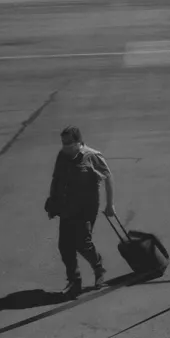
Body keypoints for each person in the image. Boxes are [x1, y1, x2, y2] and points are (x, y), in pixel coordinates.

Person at [44, 125, 114, 295]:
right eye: (63, 142)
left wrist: (110, 204)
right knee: (65, 246)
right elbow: (57, 179)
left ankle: (98, 268)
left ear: (79, 142)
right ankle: (74, 281)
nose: (66, 146)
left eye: (69, 143)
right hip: (67, 207)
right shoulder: (62, 156)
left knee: (83, 243)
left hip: (86, 208)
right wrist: (52, 201)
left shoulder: (92, 156)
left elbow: (108, 176)